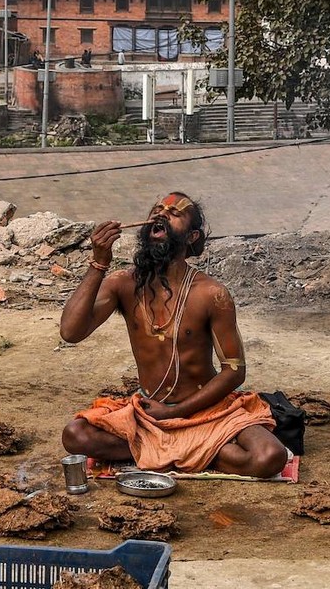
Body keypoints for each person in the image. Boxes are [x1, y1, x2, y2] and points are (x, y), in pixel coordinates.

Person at [60, 192, 288, 478]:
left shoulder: (211, 294)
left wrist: (174, 412)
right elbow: (70, 332)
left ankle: (161, 449)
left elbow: (234, 371)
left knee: (270, 457)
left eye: (173, 213)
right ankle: (195, 450)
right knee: (75, 435)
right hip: (149, 412)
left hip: (207, 410)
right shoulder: (122, 283)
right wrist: (99, 263)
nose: (161, 214)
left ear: (192, 236)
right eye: (157, 210)